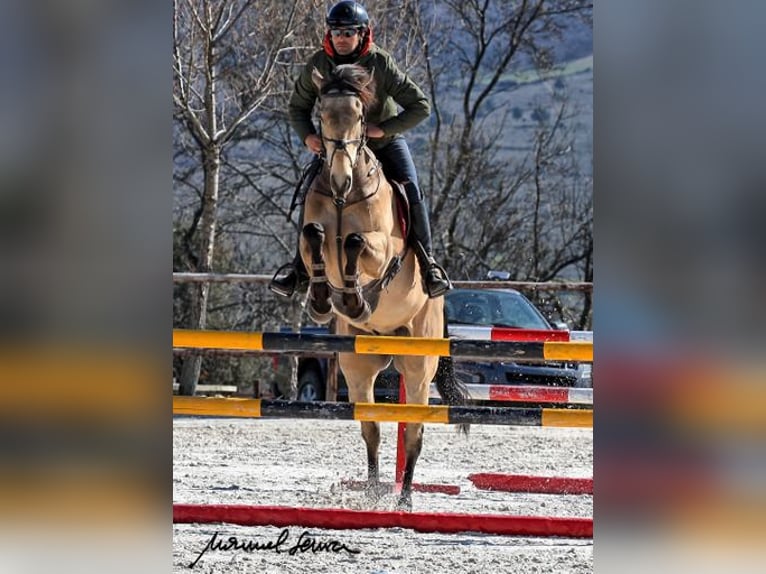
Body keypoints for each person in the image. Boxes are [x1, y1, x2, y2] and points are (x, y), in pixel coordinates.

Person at [269, 0, 451, 299]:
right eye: (336, 32)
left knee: (412, 190)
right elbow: (297, 108)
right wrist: (308, 137)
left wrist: (384, 129)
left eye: (348, 32)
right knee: (308, 193)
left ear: (362, 33)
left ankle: (428, 264)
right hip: (337, 148)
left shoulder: (380, 62)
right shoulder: (318, 64)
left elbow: (421, 106)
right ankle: (298, 270)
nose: (341, 38)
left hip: (383, 142)